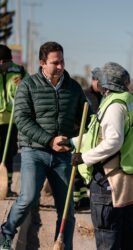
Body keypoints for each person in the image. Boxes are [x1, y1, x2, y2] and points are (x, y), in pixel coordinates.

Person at [0, 41, 90, 250]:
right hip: (34, 152)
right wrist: (49, 140)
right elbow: (22, 119)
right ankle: (6, 232)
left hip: (63, 156)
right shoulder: (28, 86)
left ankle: (63, 245)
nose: (60, 66)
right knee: (28, 198)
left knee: (67, 209)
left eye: (62, 61)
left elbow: (86, 118)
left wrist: (81, 138)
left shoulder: (74, 88)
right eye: (55, 62)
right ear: (42, 63)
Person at [71, 62, 133, 250]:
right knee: (126, 234)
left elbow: (113, 141)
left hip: (109, 178)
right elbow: (96, 136)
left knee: (108, 234)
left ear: (106, 83)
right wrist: (72, 143)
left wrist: (85, 158)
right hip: (125, 175)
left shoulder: (114, 105)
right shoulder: (126, 99)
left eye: (99, 78)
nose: (96, 81)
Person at [73, 67, 103, 211]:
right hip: (82, 136)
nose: (100, 84)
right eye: (98, 80)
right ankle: (76, 200)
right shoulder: (85, 95)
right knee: (78, 169)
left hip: (97, 138)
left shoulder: (105, 96)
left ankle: (84, 198)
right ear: (93, 80)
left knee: (89, 169)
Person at [0, 44, 27, 197]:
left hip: (11, 122)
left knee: (9, 154)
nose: (3, 66)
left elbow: (31, 87)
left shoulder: (19, 71)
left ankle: (7, 187)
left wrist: (23, 85)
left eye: (5, 63)